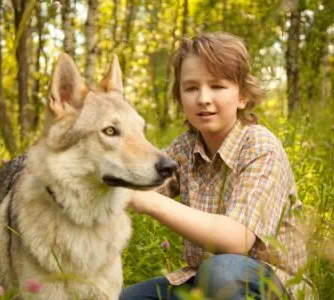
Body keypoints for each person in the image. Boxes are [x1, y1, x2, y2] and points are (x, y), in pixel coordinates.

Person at [120, 32, 314, 300]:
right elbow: (133, 186)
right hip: (201, 282)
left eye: (217, 86)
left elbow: (237, 240)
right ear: (180, 96)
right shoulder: (184, 148)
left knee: (221, 270)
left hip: (270, 285)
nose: (203, 98)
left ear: (243, 96)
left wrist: (149, 203)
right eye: (191, 88)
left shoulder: (260, 147)